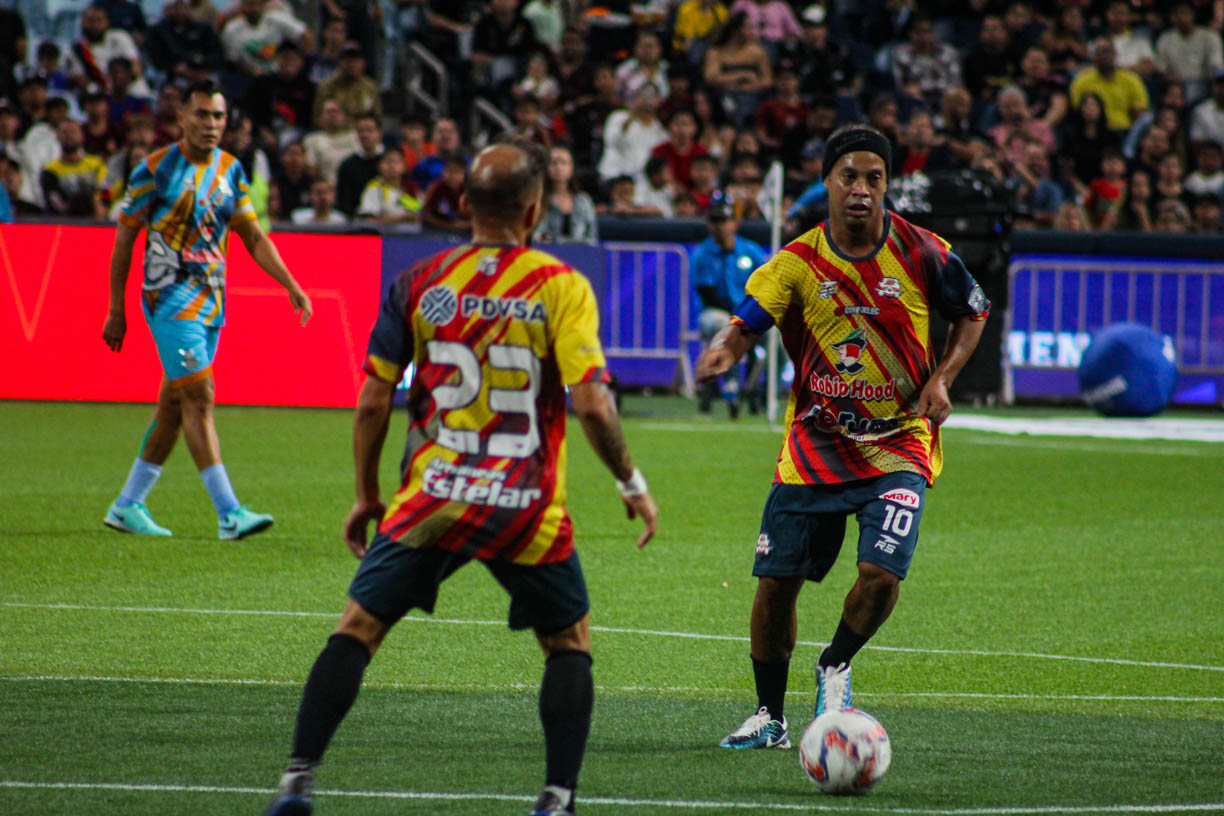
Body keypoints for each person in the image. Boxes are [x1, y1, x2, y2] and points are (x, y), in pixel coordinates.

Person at [259, 140, 658, 816]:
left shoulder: (420, 281)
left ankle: (296, 784)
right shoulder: (560, 285)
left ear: (465, 205)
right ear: (534, 211)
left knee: (358, 627)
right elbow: (591, 401)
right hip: (524, 504)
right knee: (568, 640)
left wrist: (366, 495)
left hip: (434, 498)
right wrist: (630, 481)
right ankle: (556, 801)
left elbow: (372, 400)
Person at [697, 123, 989, 749]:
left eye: (874, 179)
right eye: (849, 176)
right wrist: (724, 349)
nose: (861, 189)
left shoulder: (923, 251)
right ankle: (770, 716)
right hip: (814, 447)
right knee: (776, 585)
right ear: (827, 182)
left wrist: (943, 378)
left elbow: (973, 309)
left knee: (882, 573)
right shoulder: (798, 262)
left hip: (898, 443)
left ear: (886, 187)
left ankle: (835, 662)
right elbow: (746, 322)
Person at [100, 79, 313, 539]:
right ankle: (229, 512)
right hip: (169, 297)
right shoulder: (155, 169)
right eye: (202, 114)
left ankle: (127, 504)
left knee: (175, 405)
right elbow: (125, 237)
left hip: (211, 300)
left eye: (218, 116)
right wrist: (116, 309)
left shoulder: (231, 170)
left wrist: (290, 283)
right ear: (180, 117)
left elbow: (252, 235)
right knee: (201, 396)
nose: (212, 124)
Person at [690, 197, 768, 416]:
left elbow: (765, 287)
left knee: (777, 339)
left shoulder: (750, 251)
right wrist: (742, 317)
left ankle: (761, 392)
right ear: (708, 224)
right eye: (715, 220)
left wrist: (750, 316)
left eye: (724, 220)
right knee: (722, 324)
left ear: (734, 222)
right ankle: (731, 388)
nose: (720, 226)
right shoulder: (701, 254)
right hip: (717, 311)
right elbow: (709, 295)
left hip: (749, 311)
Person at [534, 145, 598, 243]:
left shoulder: (583, 201)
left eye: (563, 163)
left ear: (571, 168)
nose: (559, 168)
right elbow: (536, 235)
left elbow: (592, 238)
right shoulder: (538, 199)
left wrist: (558, 240)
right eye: (554, 163)